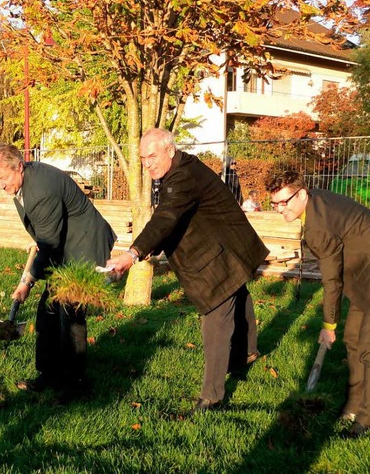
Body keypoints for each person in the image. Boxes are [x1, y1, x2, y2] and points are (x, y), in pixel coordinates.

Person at [107, 128, 269, 411]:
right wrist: (151, 248)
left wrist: (132, 254)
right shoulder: (178, 170)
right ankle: (247, 352)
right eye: (143, 158)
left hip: (221, 251)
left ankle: (212, 396)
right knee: (238, 292)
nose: (147, 163)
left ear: (169, 150)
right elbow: (170, 217)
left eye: (152, 156)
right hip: (225, 244)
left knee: (216, 319)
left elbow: (166, 217)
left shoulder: (183, 176)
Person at [266, 171, 370, 438]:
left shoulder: (319, 226)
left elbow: (331, 280)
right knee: (353, 338)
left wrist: (329, 325)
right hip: (366, 270)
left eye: (284, 202)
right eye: (274, 204)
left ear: (302, 194)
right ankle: (353, 404)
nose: (279, 210)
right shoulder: (313, 207)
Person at [0, 144, 116, 403]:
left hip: (85, 246)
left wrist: (27, 282)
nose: (0, 185)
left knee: (70, 313)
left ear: (19, 168)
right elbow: (45, 236)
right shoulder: (22, 183)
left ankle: (75, 384)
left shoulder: (41, 189)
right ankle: (49, 374)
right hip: (64, 245)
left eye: (4, 179)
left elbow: (48, 244)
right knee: (47, 312)